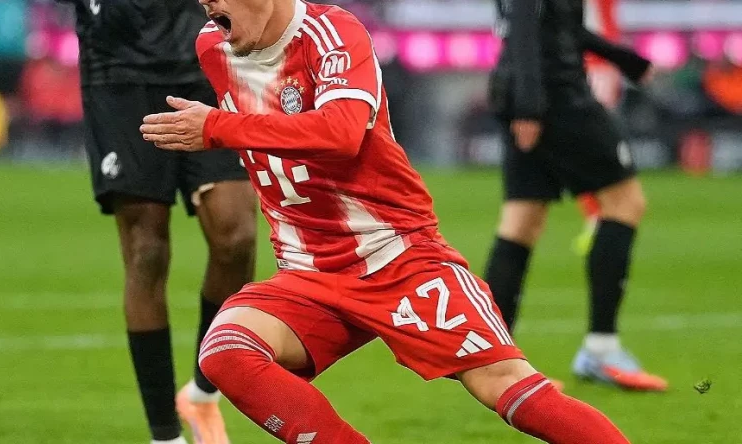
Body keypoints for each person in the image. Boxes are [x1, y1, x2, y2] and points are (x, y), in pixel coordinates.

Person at [139, 0, 633, 442]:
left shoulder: (334, 33)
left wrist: (218, 127)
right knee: (226, 352)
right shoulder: (214, 47)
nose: (207, 3)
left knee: (503, 386)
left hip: (397, 255)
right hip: (308, 271)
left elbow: (343, 133)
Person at [61, 0, 256, 442]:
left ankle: (204, 392)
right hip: (119, 71)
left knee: (237, 236)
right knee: (146, 250)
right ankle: (164, 435)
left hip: (208, 59)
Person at [483, 0, 667, 390]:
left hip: (522, 89)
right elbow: (525, 25)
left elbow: (558, 26)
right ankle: (601, 349)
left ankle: (492, 361)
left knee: (522, 220)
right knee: (626, 201)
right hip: (556, 96)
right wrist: (530, 107)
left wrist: (622, 58)